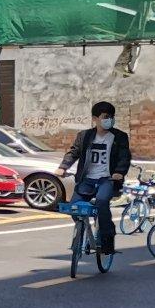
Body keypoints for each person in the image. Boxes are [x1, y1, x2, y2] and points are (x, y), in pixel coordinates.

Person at [57, 101, 132, 254]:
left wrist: (119, 172)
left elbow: (124, 156)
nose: (109, 120)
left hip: (107, 179)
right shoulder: (84, 136)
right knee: (74, 207)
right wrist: (63, 167)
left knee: (102, 202)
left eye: (111, 117)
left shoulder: (119, 137)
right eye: (105, 117)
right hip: (87, 179)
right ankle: (84, 227)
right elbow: (74, 152)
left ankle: (107, 241)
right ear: (95, 119)